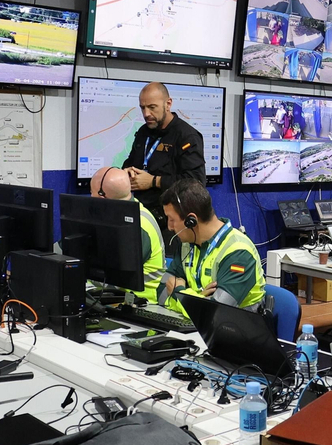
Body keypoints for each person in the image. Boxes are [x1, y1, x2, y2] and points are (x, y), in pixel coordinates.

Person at [159, 180, 266, 312]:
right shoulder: (186, 246)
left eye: (172, 219)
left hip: (239, 329)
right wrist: (198, 300)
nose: (169, 227)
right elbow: (161, 295)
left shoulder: (238, 252)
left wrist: (179, 292)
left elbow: (214, 313)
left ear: (191, 220)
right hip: (197, 328)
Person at [121, 82, 206, 221]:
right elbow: (130, 163)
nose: (146, 114)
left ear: (168, 104)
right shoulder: (144, 131)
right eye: (142, 108)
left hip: (172, 219)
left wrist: (154, 181)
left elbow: (196, 182)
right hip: (140, 213)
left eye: (152, 107)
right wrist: (126, 172)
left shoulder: (187, 136)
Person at [90, 165, 168, 304]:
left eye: (92, 192)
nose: (90, 197)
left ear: (101, 198)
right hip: (119, 301)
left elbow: (114, 277)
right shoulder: (121, 213)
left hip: (143, 305)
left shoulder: (137, 226)